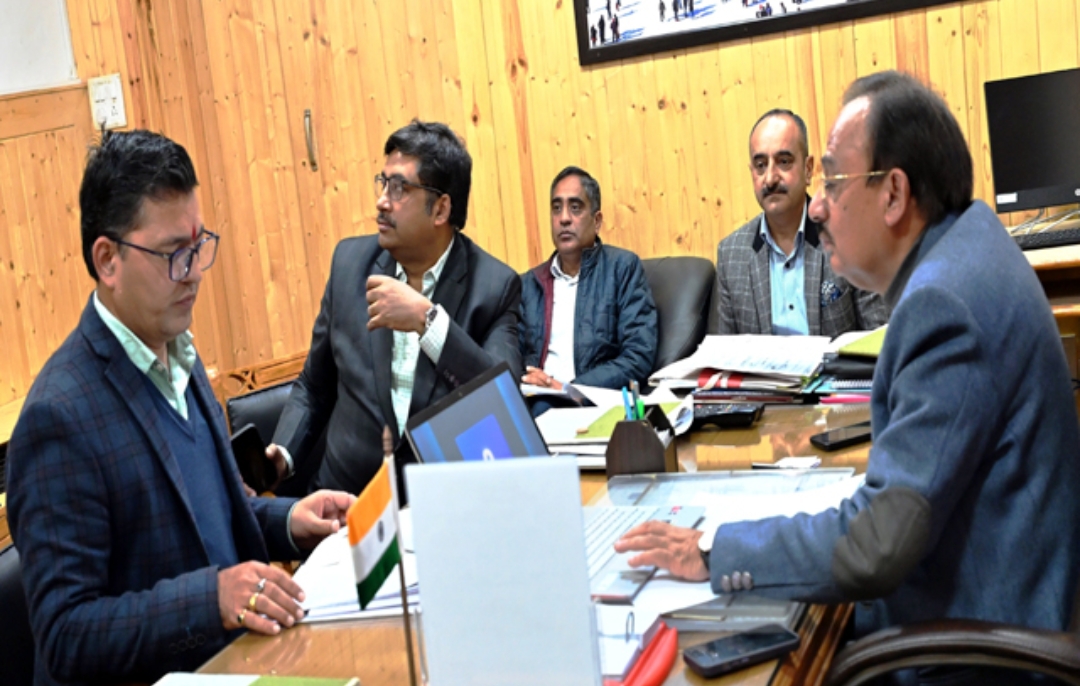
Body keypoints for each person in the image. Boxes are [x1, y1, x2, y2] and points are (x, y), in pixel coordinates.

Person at [617, 71, 1080, 682]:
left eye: (833, 180)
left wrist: (711, 549)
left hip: (970, 654)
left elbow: (875, 546)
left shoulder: (944, 305)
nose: (817, 205)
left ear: (894, 194)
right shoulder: (971, 244)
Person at [6, 130, 356, 686]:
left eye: (198, 245)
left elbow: (209, 520)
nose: (194, 271)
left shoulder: (180, 357)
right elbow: (67, 635)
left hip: (241, 663)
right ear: (108, 260)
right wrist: (209, 600)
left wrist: (291, 521)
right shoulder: (59, 418)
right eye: (173, 253)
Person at [269, 120, 522, 495]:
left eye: (400, 188)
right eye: (383, 183)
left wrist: (427, 321)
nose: (382, 201)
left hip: (441, 504)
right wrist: (282, 454)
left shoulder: (494, 287)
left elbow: (504, 401)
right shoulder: (349, 266)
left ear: (441, 209)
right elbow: (314, 386)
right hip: (345, 503)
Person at [710, 108, 886, 336]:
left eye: (784, 162)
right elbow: (725, 353)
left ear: (808, 168)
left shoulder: (853, 239)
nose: (770, 178)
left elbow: (881, 340)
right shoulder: (731, 255)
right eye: (760, 165)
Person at [519, 166, 657, 397]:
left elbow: (638, 356)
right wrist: (531, 381)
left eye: (575, 208)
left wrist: (570, 390)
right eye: (556, 208)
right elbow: (511, 358)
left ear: (597, 221)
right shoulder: (529, 284)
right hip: (535, 399)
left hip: (593, 401)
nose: (564, 218)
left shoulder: (622, 269)